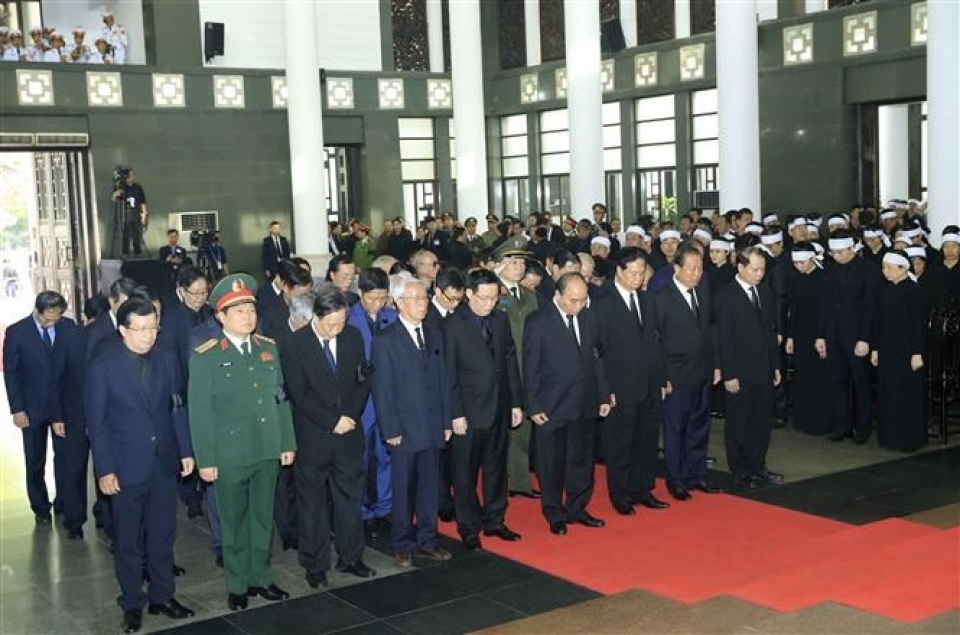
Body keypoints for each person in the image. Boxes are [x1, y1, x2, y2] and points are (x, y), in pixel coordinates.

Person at [85, 297, 196, 633]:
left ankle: (163, 595)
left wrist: (185, 451)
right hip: (125, 466)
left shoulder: (165, 359)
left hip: (163, 462)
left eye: (154, 327)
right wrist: (105, 469)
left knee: (163, 535)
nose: (150, 335)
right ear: (123, 330)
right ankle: (132, 601)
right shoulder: (103, 366)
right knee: (129, 541)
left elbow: (176, 406)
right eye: (142, 329)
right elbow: (97, 423)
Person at [188, 274, 296, 611]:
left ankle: (260, 577)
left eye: (250, 309)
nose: (247, 317)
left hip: (266, 448)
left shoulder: (268, 349)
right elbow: (201, 414)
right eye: (237, 312)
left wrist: (287, 441)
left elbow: (280, 399)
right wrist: (206, 460)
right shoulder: (205, 357)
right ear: (220, 317)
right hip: (230, 454)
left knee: (263, 519)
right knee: (233, 523)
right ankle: (237, 584)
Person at [279, 287, 376, 589]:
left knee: (350, 499)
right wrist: (332, 421)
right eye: (330, 324)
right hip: (313, 437)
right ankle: (315, 564)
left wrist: (350, 417)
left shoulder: (353, 337)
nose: (337, 329)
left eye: (341, 322)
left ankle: (351, 557)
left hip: (349, 433)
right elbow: (299, 392)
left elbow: (363, 379)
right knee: (312, 505)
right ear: (316, 317)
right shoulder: (295, 344)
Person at [370, 274, 453, 567]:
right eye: (415, 299)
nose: (422, 304)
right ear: (398, 303)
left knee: (430, 488)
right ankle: (402, 542)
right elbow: (382, 388)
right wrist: (390, 428)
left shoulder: (434, 334)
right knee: (403, 490)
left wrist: (446, 420)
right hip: (403, 429)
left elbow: (442, 380)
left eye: (424, 298)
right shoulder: (386, 339)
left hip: (431, 426)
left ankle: (428, 540)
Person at [523, 273, 612, 535]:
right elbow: (530, 367)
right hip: (551, 406)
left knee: (582, 461)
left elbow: (597, 359)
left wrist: (603, 395)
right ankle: (554, 512)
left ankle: (577, 507)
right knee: (551, 463)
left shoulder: (589, 316)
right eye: (573, 300)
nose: (579, 305)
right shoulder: (538, 322)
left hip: (584, 402)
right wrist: (533, 405)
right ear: (557, 296)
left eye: (583, 299)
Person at [443, 269, 524, 550]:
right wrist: (455, 414)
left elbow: (510, 360)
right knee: (464, 472)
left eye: (494, 297)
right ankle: (468, 526)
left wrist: (516, 402)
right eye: (484, 298)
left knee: (496, 468)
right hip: (468, 411)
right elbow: (448, 374)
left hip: (499, 406)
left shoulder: (500, 320)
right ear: (468, 294)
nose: (490, 304)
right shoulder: (453, 325)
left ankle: (495, 520)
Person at [2, 291, 87, 533]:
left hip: (64, 407)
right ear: (37, 311)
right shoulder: (18, 332)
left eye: (57, 316)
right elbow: (12, 374)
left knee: (66, 460)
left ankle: (64, 502)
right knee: (35, 459)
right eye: (49, 317)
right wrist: (17, 409)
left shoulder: (68, 327)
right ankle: (40, 506)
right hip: (33, 408)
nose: (53, 322)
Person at [595, 249, 670, 515]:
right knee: (621, 443)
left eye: (642, 273)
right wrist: (606, 390)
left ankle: (642, 489)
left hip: (649, 383)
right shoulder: (603, 302)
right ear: (620, 271)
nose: (638, 278)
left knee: (647, 440)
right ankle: (621, 493)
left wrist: (661, 379)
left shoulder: (647, 300)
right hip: (620, 386)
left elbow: (654, 343)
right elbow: (599, 351)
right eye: (633, 273)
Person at [649, 243, 722, 500]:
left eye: (700, 269)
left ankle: (697, 473)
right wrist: (662, 376)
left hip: (702, 370)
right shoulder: (660, 297)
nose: (696, 274)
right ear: (676, 268)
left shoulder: (702, 290)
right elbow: (655, 342)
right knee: (675, 428)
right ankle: (676, 477)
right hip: (676, 375)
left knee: (699, 425)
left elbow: (710, 330)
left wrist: (716, 365)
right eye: (691, 269)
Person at [715, 247, 783, 489]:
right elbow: (724, 338)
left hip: (763, 369)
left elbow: (769, 332)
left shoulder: (764, 291)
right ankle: (740, 470)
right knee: (738, 423)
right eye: (754, 269)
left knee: (760, 423)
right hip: (739, 372)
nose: (759, 274)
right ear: (741, 267)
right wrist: (729, 373)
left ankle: (758, 466)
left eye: (762, 269)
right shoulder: (726, 296)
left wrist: (775, 366)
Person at [347, 268, 399, 534]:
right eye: (372, 298)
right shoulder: (347, 319)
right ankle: (363, 510)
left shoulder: (393, 317)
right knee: (362, 459)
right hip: (362, 402)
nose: (377, 304)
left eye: (382, 298)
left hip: (388, 399)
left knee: (387, 454)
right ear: (360, 294)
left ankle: (385, 507)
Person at [816, 231, 879, 444]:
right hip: (833, 336)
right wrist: (821, 336)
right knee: (837, 383)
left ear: (852, 248)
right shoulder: (828, 270)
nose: (835, 256)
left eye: (840, 252)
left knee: (861, 384)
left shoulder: (869, 270)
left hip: (857, 337)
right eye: (832, 252)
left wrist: (865, 338)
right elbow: (824, 306)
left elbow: (871, 308)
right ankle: (842, 426)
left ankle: (863, 427)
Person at [494, 249, 540, 498]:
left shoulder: (530, 296)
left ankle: (519, 481)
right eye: (513, 262)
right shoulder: (492, 293)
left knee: (523, 430)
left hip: (528, 369)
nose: (519, 267)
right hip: (503, 370)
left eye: (522, 262)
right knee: (501, 432)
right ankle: (502, 480)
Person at [872, 251, 927, 452]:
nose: (884, 271)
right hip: (886, 350)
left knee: (907, 394)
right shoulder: (884, 291)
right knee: (888, 393)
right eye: (883, 267)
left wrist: (917, 353)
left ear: (903, 268)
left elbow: (917, 326)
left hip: (907, 351)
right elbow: (878, 322)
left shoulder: (915, 291)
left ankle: (909, 439)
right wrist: (875, 349)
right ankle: (889, 437)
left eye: (888, 267)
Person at [784, 243, 831, 435]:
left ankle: (822, 422)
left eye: (802, 262)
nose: (798, 266)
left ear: (812, 258)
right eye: (795, 263)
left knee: (820, 378)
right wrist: (790, 336)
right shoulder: (795, 278)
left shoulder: (824, 278)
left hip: (820, 334)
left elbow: (826, 311)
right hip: (801, 334)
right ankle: (804, 421)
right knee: (802, 377)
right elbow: (793, 310)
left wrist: (822, 335)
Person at [112, 169, 149, 257]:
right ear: (126, 177)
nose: (132, 177)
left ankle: (137, 252)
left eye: (133, 175)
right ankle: (125, 253)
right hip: (124, 215)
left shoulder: (138, 187)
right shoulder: (121, 187)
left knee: (137, 234)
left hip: (136, 213)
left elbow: (142, 201)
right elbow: (113, 200)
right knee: (125, 234)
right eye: (130, 175)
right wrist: (115, 194)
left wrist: (144, 214)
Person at [159, 229, 190, 297]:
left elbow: (186, 263)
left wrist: (180, 261)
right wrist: (167, 260)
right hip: (167, 277)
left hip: (179, 276)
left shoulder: (182, 250)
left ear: (178, 237)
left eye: (175, 236)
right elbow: (160, 263)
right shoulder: (163, 249)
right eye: (171, 237)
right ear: (168, 237)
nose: (173, 239)